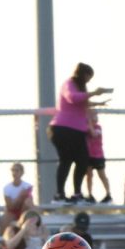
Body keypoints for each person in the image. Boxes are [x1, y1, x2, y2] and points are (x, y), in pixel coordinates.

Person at [48, 63, 111, 203]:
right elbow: (72, 98)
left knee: (82, 161)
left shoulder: (80, 88)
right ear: (83, 74)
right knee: (66, 160)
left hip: (76, 130)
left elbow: (80, 102)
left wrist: (97, 103)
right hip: (63, 129)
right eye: (88, 76)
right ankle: (59, 194)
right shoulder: (69, 84)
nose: (89, 80)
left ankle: (77, 193)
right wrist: (94, 93)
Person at [85, 110, 112, 203]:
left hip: (98, 155)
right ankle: (90, 194)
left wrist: (89, 124)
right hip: (89, 156)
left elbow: (94, 134)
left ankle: (108, 194)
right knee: (89, 175)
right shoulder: (86, 128)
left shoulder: (98, 128)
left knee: (102, 175)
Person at [0, 163, 35, 232]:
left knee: (28, 202)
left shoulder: (27, 186)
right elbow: (10, 207)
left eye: (17, 171)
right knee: (3, 220)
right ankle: (4, 240)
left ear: (22, 173)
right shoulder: (7, 188)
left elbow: (29, 202)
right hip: (12, 211)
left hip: (24, 210)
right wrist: (19, 197)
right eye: (13, 170)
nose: (14, 173)